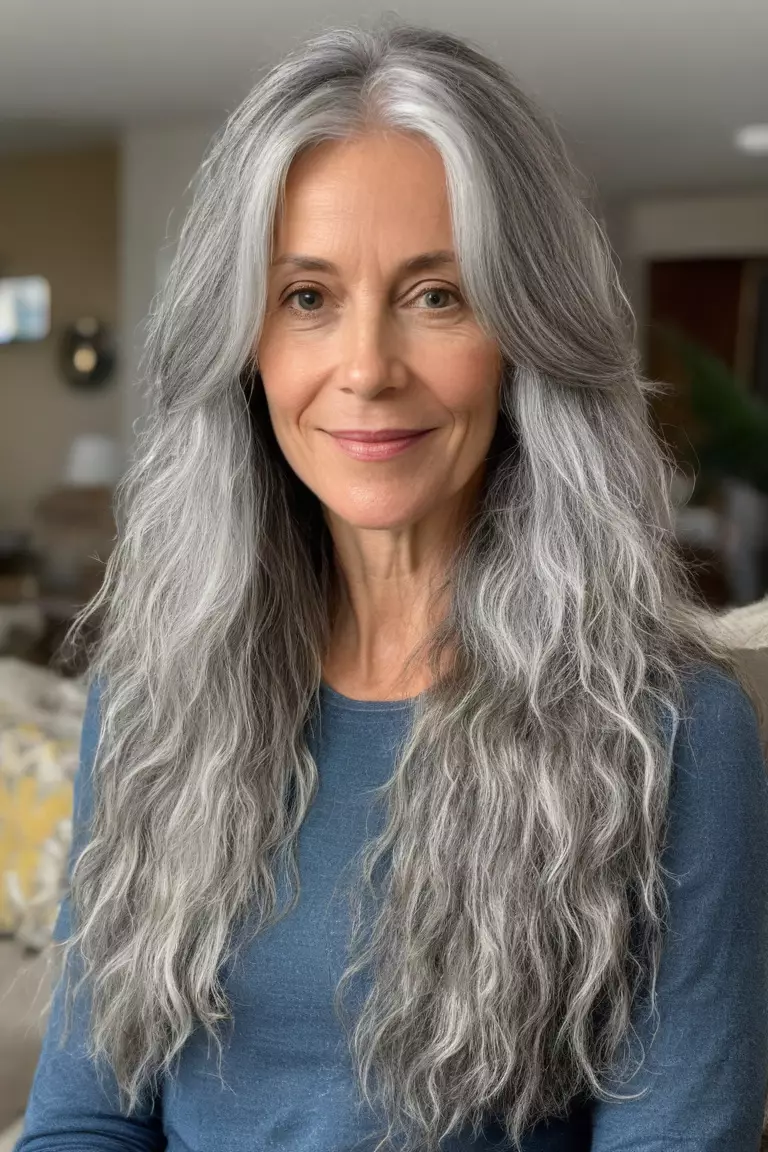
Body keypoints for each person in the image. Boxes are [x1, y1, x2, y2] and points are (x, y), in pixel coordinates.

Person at [14, 18, 768, 1152]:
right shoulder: (152, 700)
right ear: (246, 343)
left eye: (437, 295)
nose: (366, 368)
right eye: (307, 296)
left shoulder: (670, 734)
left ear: (526, 341)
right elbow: (84, 1119)